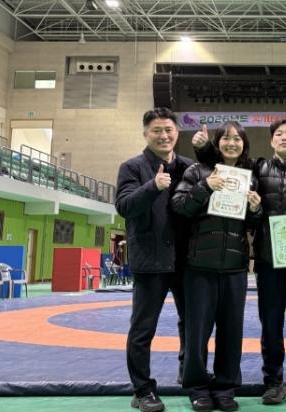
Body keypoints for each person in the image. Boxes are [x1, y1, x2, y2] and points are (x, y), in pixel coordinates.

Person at [196, 119, 286, 406]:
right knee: (270, 325)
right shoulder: (258, 169)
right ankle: (274, 382)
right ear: (272, 141)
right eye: (278, 134)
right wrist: (203, 150)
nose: (284, 138)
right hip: (267, 261)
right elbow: (227, 164)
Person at [171, 121, 263, 412]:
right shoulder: (197, 172)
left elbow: (253, 224)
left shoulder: (249, 179)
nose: (231, 143)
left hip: (235, 267)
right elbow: (179, 206)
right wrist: (205, 187)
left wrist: (256, 208)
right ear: (217, 143)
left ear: (244, 145)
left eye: (237, 139)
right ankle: (198, 388)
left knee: (231, 332)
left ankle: (225, 387)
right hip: (199, 266)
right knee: (197, 332)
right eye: (226, 138)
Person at [115, 108, 193, 412]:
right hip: (150, 260)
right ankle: (142, 390)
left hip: (185, 260)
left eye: (169, 130)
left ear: (177, 133)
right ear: (146, 134)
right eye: (157, 130)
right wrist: (153, 186)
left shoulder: (188, 167)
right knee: (143, 329)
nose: (164, 136)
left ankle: (189, 374)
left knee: (192, 324)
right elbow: (124, 205)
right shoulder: (132, 167)